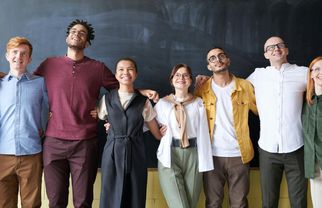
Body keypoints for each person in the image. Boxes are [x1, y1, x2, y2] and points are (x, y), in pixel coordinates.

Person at [34, 19, 158, 208]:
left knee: (83, 201)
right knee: (55, 201)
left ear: (88, 42)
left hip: (85, 142)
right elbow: (27, 85)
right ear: (67, 36)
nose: (77, 34)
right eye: (73, 31)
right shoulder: (49, 64)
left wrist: (142, 92)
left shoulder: (98, 68)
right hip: (53, 142)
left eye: (82, 33)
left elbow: (122, 87)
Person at [247, 36, 308, 208]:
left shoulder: (303, 72)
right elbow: (233, 88)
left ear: (286, 50)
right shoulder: (257, 76)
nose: (276, 49)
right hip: (267, 150)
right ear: (266, 54)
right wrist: (206, 82)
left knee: (299, 202)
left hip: (296, 148)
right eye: (271, 47)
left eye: (280, 45)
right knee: (269, 202)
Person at [195, 47, 257, 208]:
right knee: (213, 203)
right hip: (212, 155)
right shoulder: (202, 89)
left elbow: (262, 112)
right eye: (212, 58)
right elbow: (188, 111)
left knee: (239, 203)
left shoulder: (245, 86)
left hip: (240, 154)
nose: (218, 60)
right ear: (209, 66)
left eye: (221, 56)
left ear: (228, 60)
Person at [97, 57, 163, 208]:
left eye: (130, 69)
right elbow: (96, 117)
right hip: (112, 152)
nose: (125, 72)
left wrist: (166, 133)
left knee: (135, 194)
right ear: (115, 75)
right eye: (121, 69)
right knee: (110, 194)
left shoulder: (143, 101)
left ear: (136, 74)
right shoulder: (107, 99)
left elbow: (156, 133)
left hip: (136, 152)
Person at [154, 63, 213, 208]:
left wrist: (207, 81)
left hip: (194, 155)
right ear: (172, 79)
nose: (181, 78)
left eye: (186, 75)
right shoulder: (162, 103)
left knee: (191, 203)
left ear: (191, 80)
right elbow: (144, 121)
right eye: (177, 75)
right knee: (179, 205)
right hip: (170, 154)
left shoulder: (199, 102)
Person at [0, 37, 47, 207]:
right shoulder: (0, 85)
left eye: (24, 53)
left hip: (31, 154)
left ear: (30, 59)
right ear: (7, 55)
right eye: (14, 52)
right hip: (2, 154)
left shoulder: (40, 83)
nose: (18, 57)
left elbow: (56, 107)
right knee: (4, 203)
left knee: (32, 204)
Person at [302, 56, 322, 208]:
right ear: (311, 74)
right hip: (313, 164)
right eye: (316, 69)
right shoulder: (308, 101)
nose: (320, 72)